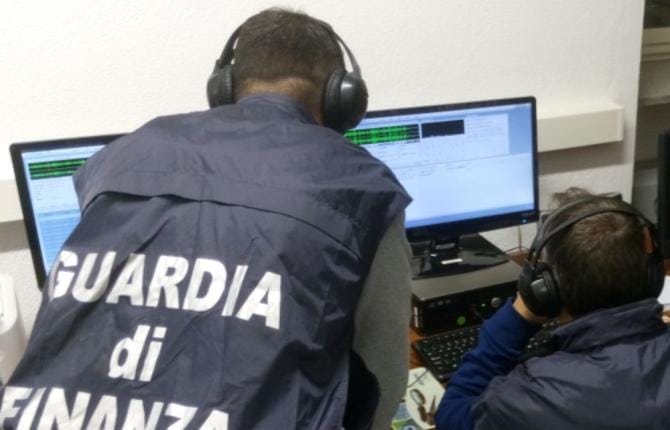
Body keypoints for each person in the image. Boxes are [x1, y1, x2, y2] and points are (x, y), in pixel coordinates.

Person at [1, 9, 412, 430]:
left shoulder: (119, 156)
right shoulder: (360, 185)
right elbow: (382, 367)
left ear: (225, 88)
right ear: (341, 99)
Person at [435, 191, 670, 429]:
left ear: (546, 288)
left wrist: (517, 318)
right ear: (654, 271)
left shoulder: (527, 399)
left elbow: (452, 415)